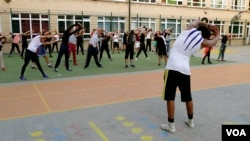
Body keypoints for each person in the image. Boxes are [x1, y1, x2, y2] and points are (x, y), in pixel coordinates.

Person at [160, 20, 220, 133]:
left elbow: (197, 22)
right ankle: (191, 121)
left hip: (172, 67)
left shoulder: (189, 30)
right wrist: (217, 35)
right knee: (188, 97)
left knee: (170, 97)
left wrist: (207, 25)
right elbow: (212, 43)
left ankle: (171, 125)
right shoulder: (203, 42)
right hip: (185, 71)